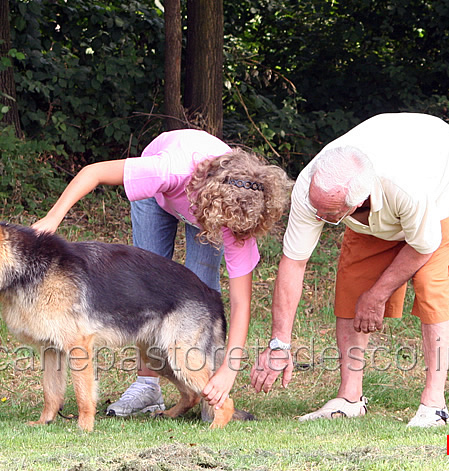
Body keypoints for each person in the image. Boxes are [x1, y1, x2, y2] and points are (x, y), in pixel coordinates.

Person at [33, 128, 292, 417]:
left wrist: (228, 372)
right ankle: (147, 386)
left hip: (211, 209)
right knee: (147, 290)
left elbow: (241, 303)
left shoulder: (239, 219)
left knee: (201, 291)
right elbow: (92, 173)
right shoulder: (166, 170)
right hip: (161, 195)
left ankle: (209, 392)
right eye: (225, 227)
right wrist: (53, 217)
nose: (228, 234)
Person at [250, 113, 449, 428]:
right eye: (316, 207)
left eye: (326, 214)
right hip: (381, 176)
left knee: (430, 282)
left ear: (355, 204)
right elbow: (294, 262)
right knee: (353, 281)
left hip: (440, 163)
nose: (316, 215)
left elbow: (423, 245)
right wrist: (279, 343)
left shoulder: (405, 187)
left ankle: (434, 405)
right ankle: (349, 398)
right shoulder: (314, 188)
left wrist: (379, 294)